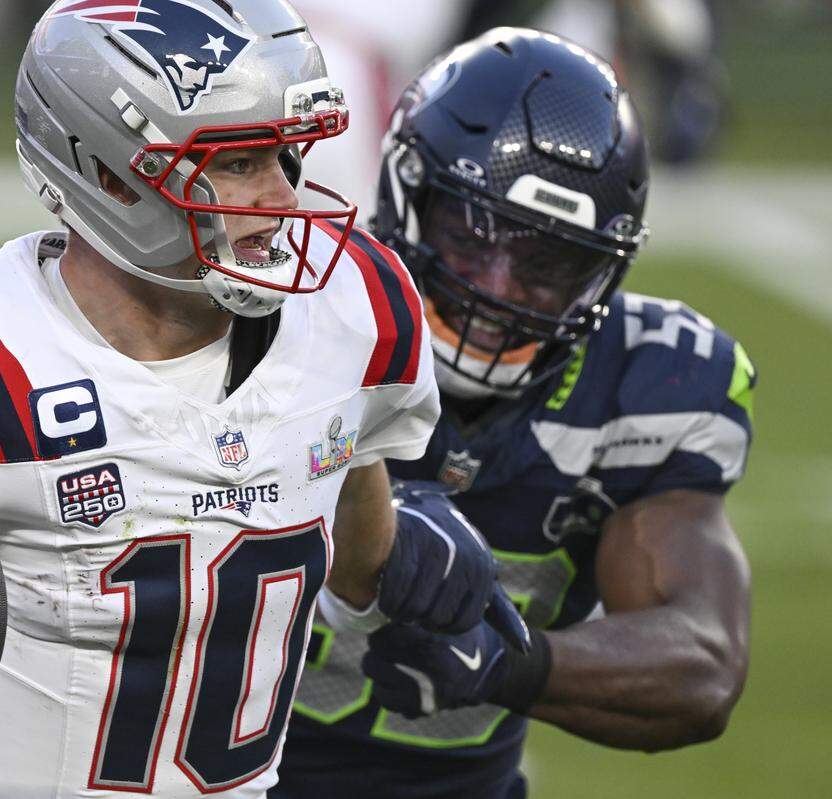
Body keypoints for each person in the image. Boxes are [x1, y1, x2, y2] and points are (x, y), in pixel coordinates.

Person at [0, 3, 526, 797]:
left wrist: (413, 557)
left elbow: (350, 515)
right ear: (109, 176)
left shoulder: (355, 307)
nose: (281, 201)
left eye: (285, 156)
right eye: (238, 164)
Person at [274, 28, 753, 799]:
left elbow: (704, 665)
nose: (497, 293)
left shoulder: (652, 382)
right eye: (471, 239)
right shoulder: (282, 321)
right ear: (405, 195)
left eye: (548, 265)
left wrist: (507, 663)